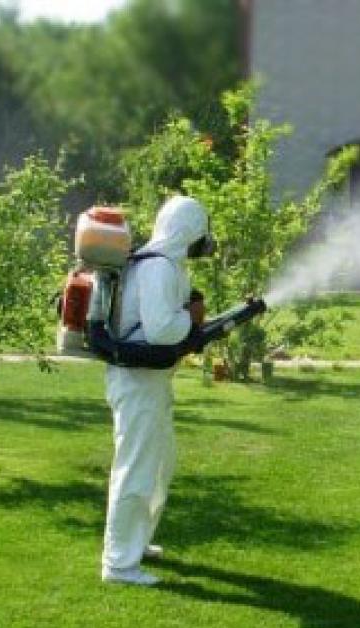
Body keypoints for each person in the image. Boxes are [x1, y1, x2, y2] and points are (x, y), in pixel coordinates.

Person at [101, 195, 214, 586]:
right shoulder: (158, 267)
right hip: (138, 382)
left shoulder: (163, 264)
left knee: (160, 466)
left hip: (151, 380)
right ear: (188, 231)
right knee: (135, 469)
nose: (204, 240)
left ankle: (137, 542)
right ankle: (119, 565)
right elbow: (162, 329)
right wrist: (192, 320)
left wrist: (190, 318)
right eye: (201, 231)